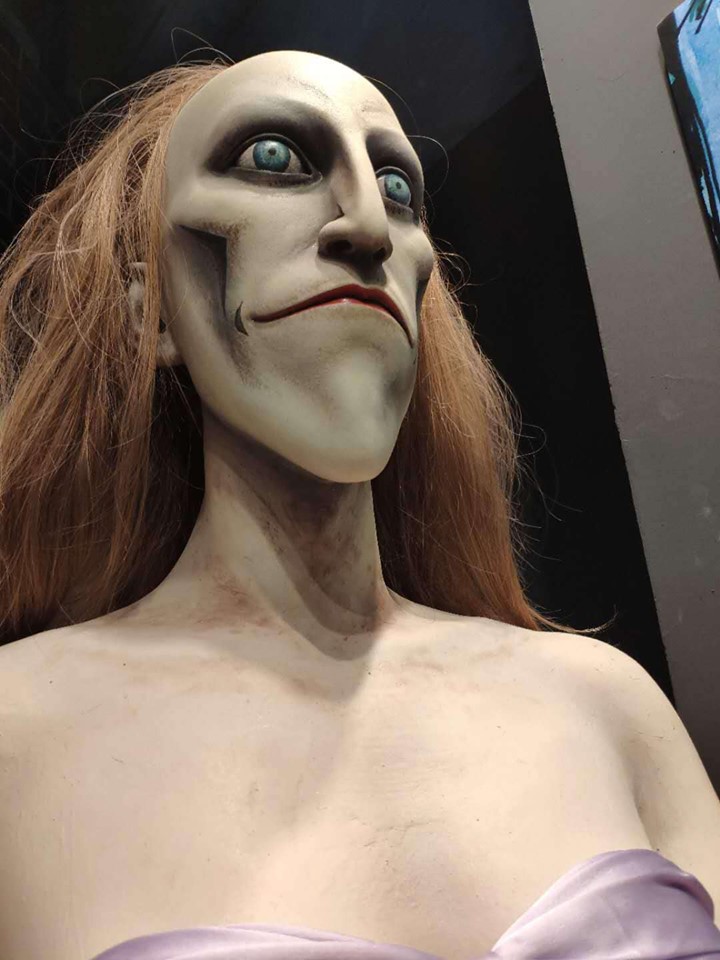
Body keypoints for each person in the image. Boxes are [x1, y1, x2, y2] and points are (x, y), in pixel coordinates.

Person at [0, 50, 718, 960]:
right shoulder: (17, 736)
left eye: (397, 187)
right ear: (154, 313)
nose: (370, 224)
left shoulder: (609, 707)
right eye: (272, 158)